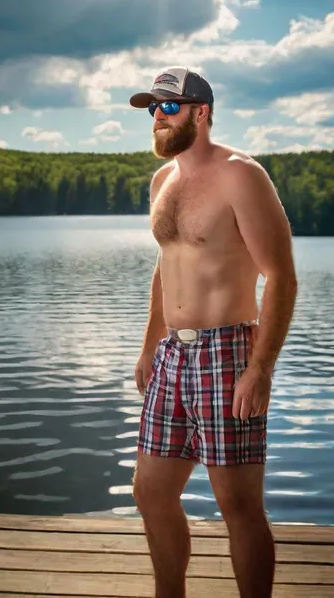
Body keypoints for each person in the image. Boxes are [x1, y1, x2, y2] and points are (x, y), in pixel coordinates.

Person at [129, 67, 298, 598]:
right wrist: (149, 346)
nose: (158, 118)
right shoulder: (164, 180)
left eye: (168, 107)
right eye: (152, 109)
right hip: (170, 358)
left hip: (226, 353)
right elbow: (166, 268)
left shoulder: (240, 175)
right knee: (151, 492)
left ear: (200, 112)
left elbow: (281, 276)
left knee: (238, 504)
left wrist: (260, 368)